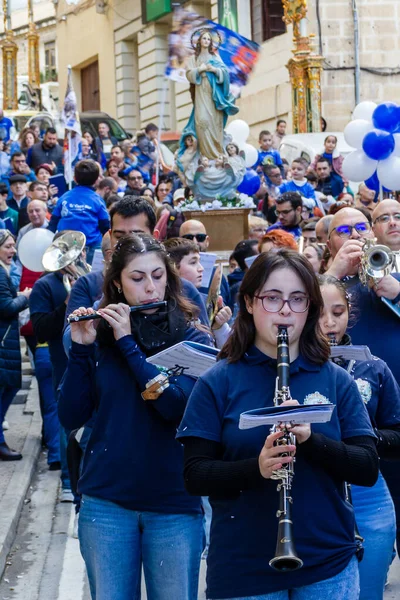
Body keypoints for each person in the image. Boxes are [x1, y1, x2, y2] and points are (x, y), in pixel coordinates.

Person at [177, 249, 378, 600]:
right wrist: (257, 468)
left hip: (327, 563)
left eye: (297, 299)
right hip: (243, 568)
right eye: (272, 298)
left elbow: (367, 468)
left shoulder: (335, 380)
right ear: (250, 304)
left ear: (309, 309)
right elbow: (195, 475)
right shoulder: (218, 381)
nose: (285, 310)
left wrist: (311, 441)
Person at [59, 233, 212, 600]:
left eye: (158, 276)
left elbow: (176, 409)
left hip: (174, 504)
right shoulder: (100, 338)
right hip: (107, 502)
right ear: (117, 284)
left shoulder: (193, 339)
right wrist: (81, 349)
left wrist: (128, 345)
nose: (150, 288)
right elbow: (71, 415)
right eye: (137, 278)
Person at [318, 275, 400, 600]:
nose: (328, 323)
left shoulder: (374, 367)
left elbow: (398, 434)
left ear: (349, 313)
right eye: (320, 313)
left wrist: (361, 440)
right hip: (315, 493)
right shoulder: (286, 368)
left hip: (369, 494)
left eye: (337, 312)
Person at [180, 29, 238, 160]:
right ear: (199, 41)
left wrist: (215, 70)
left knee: (214, 123)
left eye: (208, 39)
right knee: (202, 121)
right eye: (204, 38)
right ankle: (205, 156)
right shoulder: (194, 59)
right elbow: (189, 74)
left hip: (214, 95)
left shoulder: (215, 57)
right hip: (201, 92)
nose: (206, 41)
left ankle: (217, 155)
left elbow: (225, 73)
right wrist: (199, 70)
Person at [0, 230, 31, 461]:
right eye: (8, 246)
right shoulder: (0, 273)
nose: (13, 251)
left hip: (6, 338)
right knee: (6, 389)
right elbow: (7, 307)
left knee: (9, 387)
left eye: (14, 246)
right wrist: (25, 297)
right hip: (4, 340)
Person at [48, 160, 110, 265]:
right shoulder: (98, 200)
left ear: (75, 179)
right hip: (91, 248)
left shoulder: (64, 198)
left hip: (66, 248)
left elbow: (52, 224)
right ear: (96, 181)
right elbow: (105, 227)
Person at [179, 219, 231, 308]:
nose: (194, 242)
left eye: (200, 237)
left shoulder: (216, 274)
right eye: (188, 238)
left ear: (207, 241)